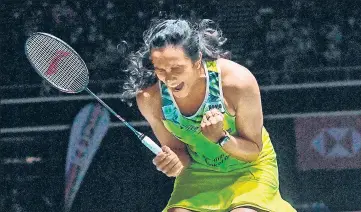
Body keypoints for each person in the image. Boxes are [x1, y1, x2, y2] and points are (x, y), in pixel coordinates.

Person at [121, 19, 296, 212]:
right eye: (160, 70)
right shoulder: (150, 99)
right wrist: (174, 162)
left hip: (248, 169)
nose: (169, 78)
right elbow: (179, 151)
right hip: (200, 171)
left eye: (176, 68)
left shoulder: (237, 83)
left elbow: (254, 150)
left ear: (197, 61)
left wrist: (221, 138)